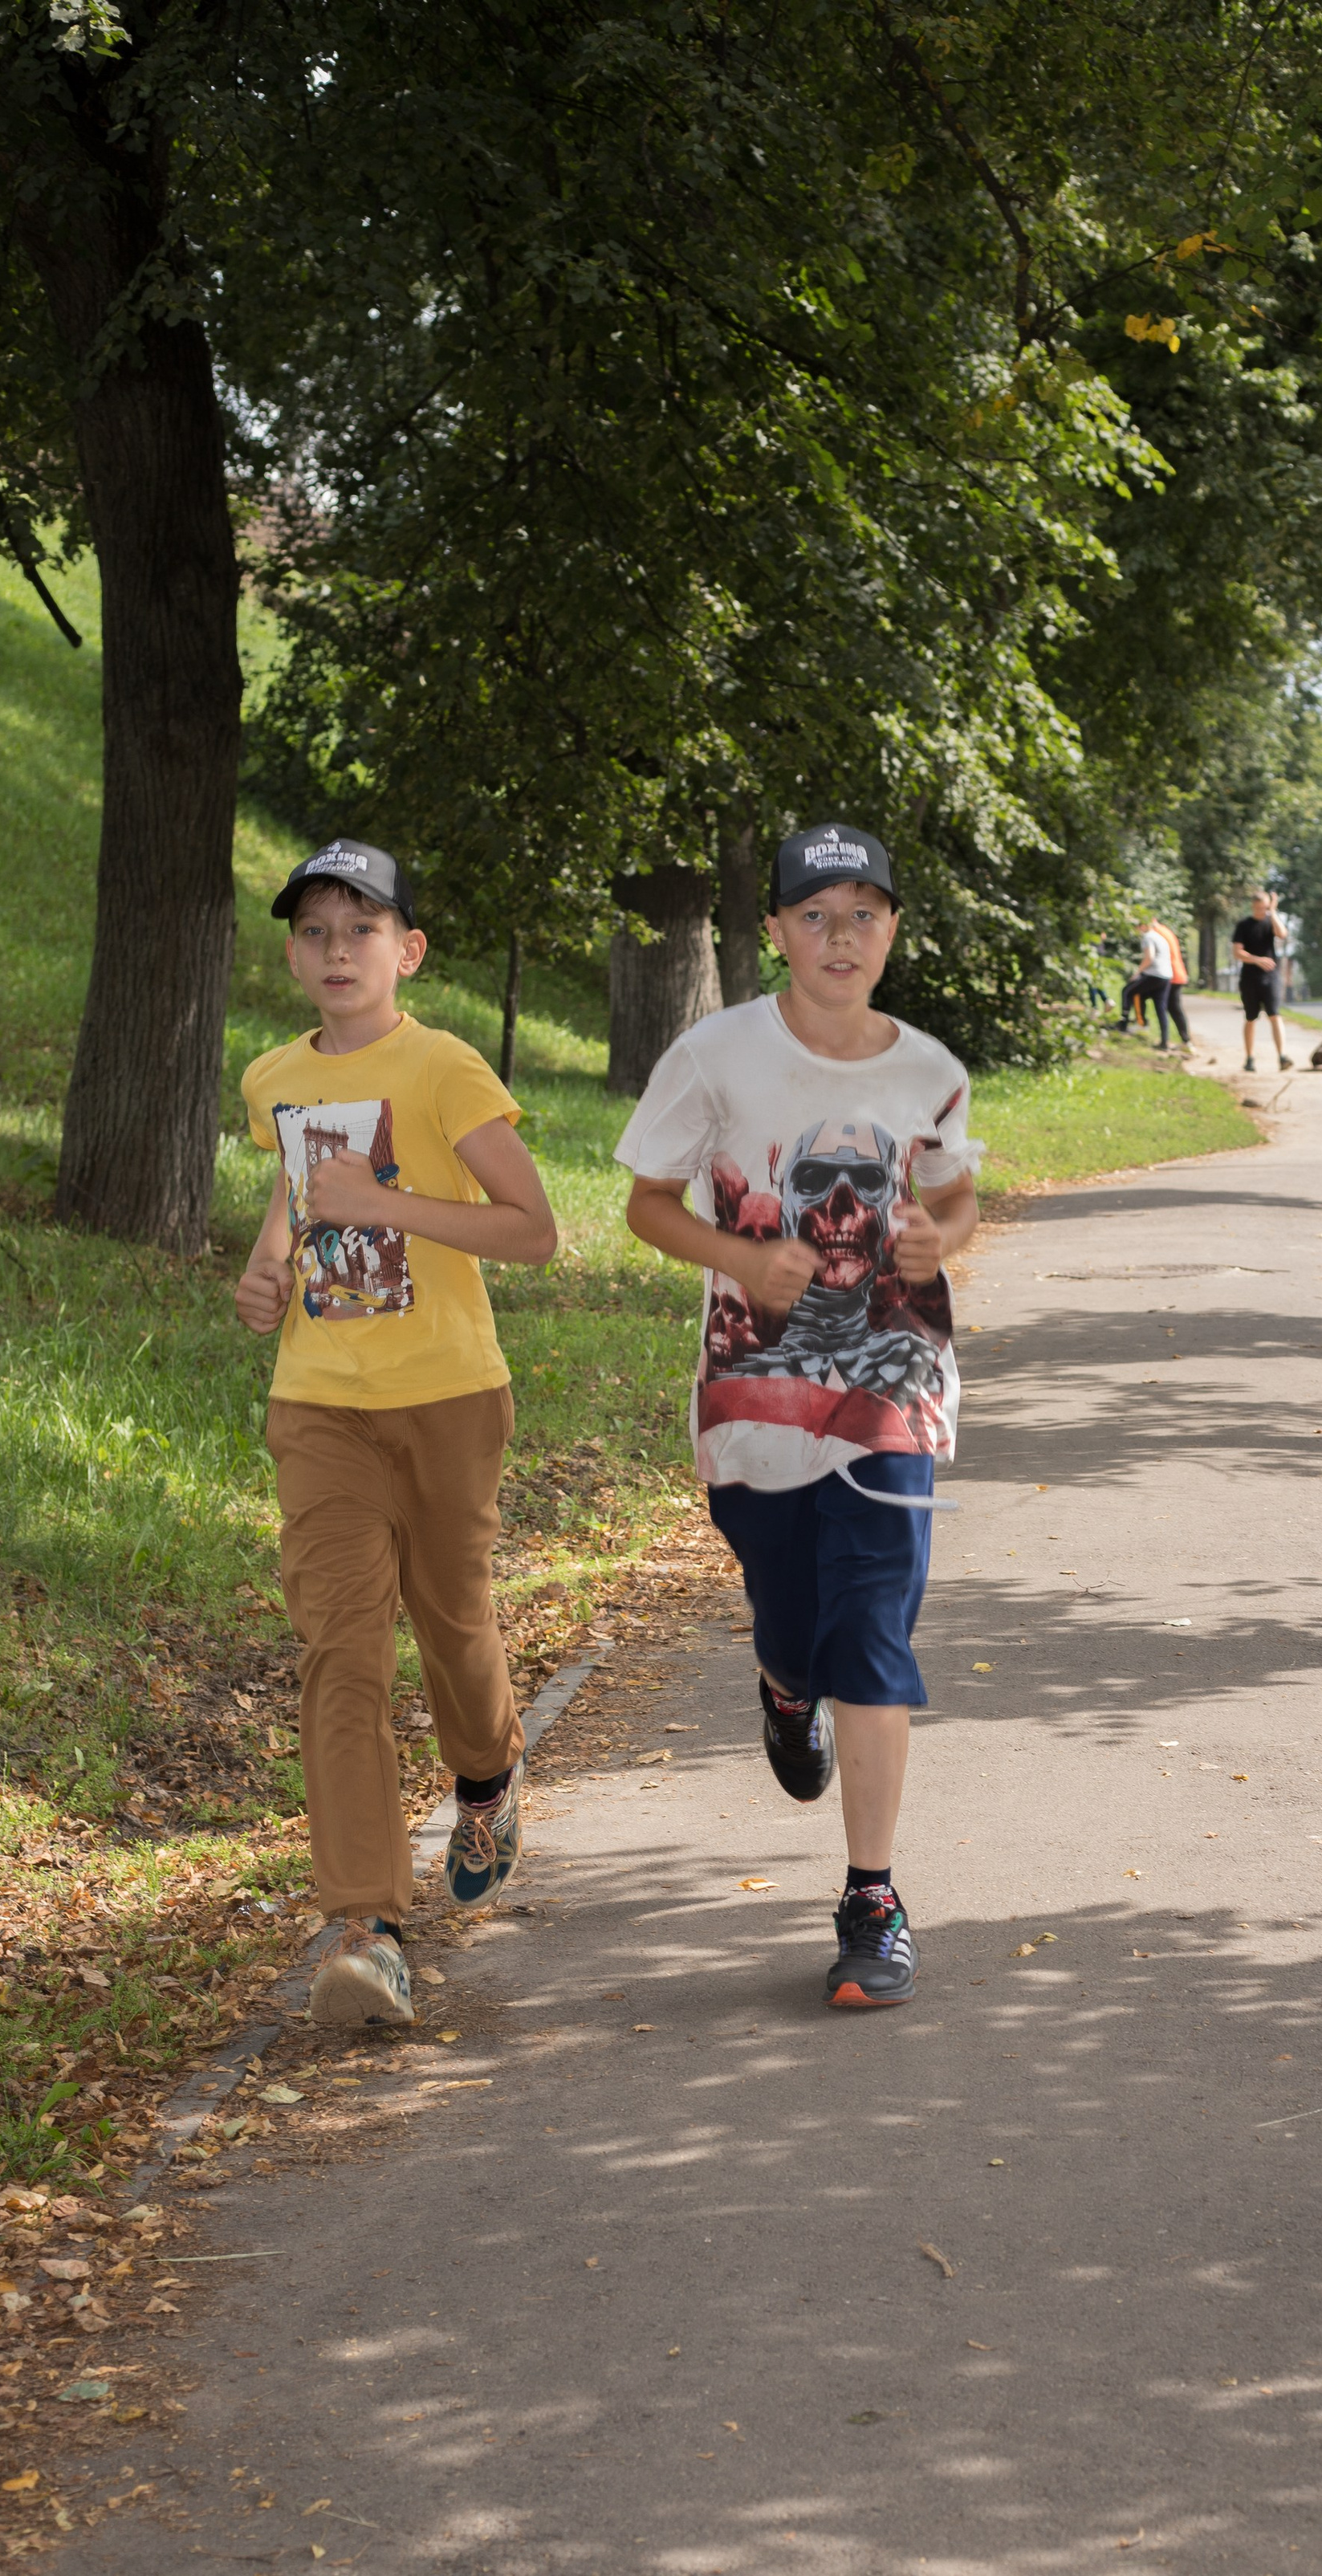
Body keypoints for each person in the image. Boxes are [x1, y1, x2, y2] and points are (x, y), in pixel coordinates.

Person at [616, 821, 979, 2011]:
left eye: (863, 914)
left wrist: (942, 1235)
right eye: (814, 915)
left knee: (874, 1629)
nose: (840, 937)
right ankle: (784, 1682)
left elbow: (954, 1187)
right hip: (754, 1399)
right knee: (786, 1601)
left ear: (892, 931)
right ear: (772, 931)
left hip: (895, 1385)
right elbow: (647, 1205)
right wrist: (738, 1254)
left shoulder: (926, 1066)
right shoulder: (717, 1056)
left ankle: (872, 1893)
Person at [234, 840, 559, 2028]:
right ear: (292, 954)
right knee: (339, 1653)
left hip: (448, 1398)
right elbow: (292, 1201)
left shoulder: (443, 1069)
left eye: (360, 929)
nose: (335, 951)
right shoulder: (272, 1076)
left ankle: (487, 1774)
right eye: (315, 931)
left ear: (406, 952)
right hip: (320, 1402)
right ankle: (364, 1923)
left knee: (454, 1621)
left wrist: (390, 1205)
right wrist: (264, 1275)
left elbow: (533, 1229)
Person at [1230, 889, 1294, 1072]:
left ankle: (1282, 1057)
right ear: (1253, 906)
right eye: (1258, 908)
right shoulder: (1244, 925)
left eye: (1265, 907)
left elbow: (1282, 934)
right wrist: (1257, 960)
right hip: (1250, 978)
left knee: (1275, 1015)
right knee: (1251, 1018)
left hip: (1271, 977)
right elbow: (1237, 952)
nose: (1261, 911)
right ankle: (1249, 1058)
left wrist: (1273, 912)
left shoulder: (1270, 922)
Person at [1143, 914, 1193, 1049]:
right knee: (1173, 1008)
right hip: (1176, 973)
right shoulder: (1165, 930)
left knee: (1166, 1006)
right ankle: (1185, 1041)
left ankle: (1146, 1029)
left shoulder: (1156, 933)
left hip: (1170, 974)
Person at [1131, 916, 1174, 1044]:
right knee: (1161, 1008)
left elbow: (1150, 958)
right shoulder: (1160, 936)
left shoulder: (1148, 937)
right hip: (1167, 975)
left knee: (1131, 992)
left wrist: (1137, 972)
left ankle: (1138, 1024)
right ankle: (1164, 1042)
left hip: (1154, 975)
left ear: (1143, 926)